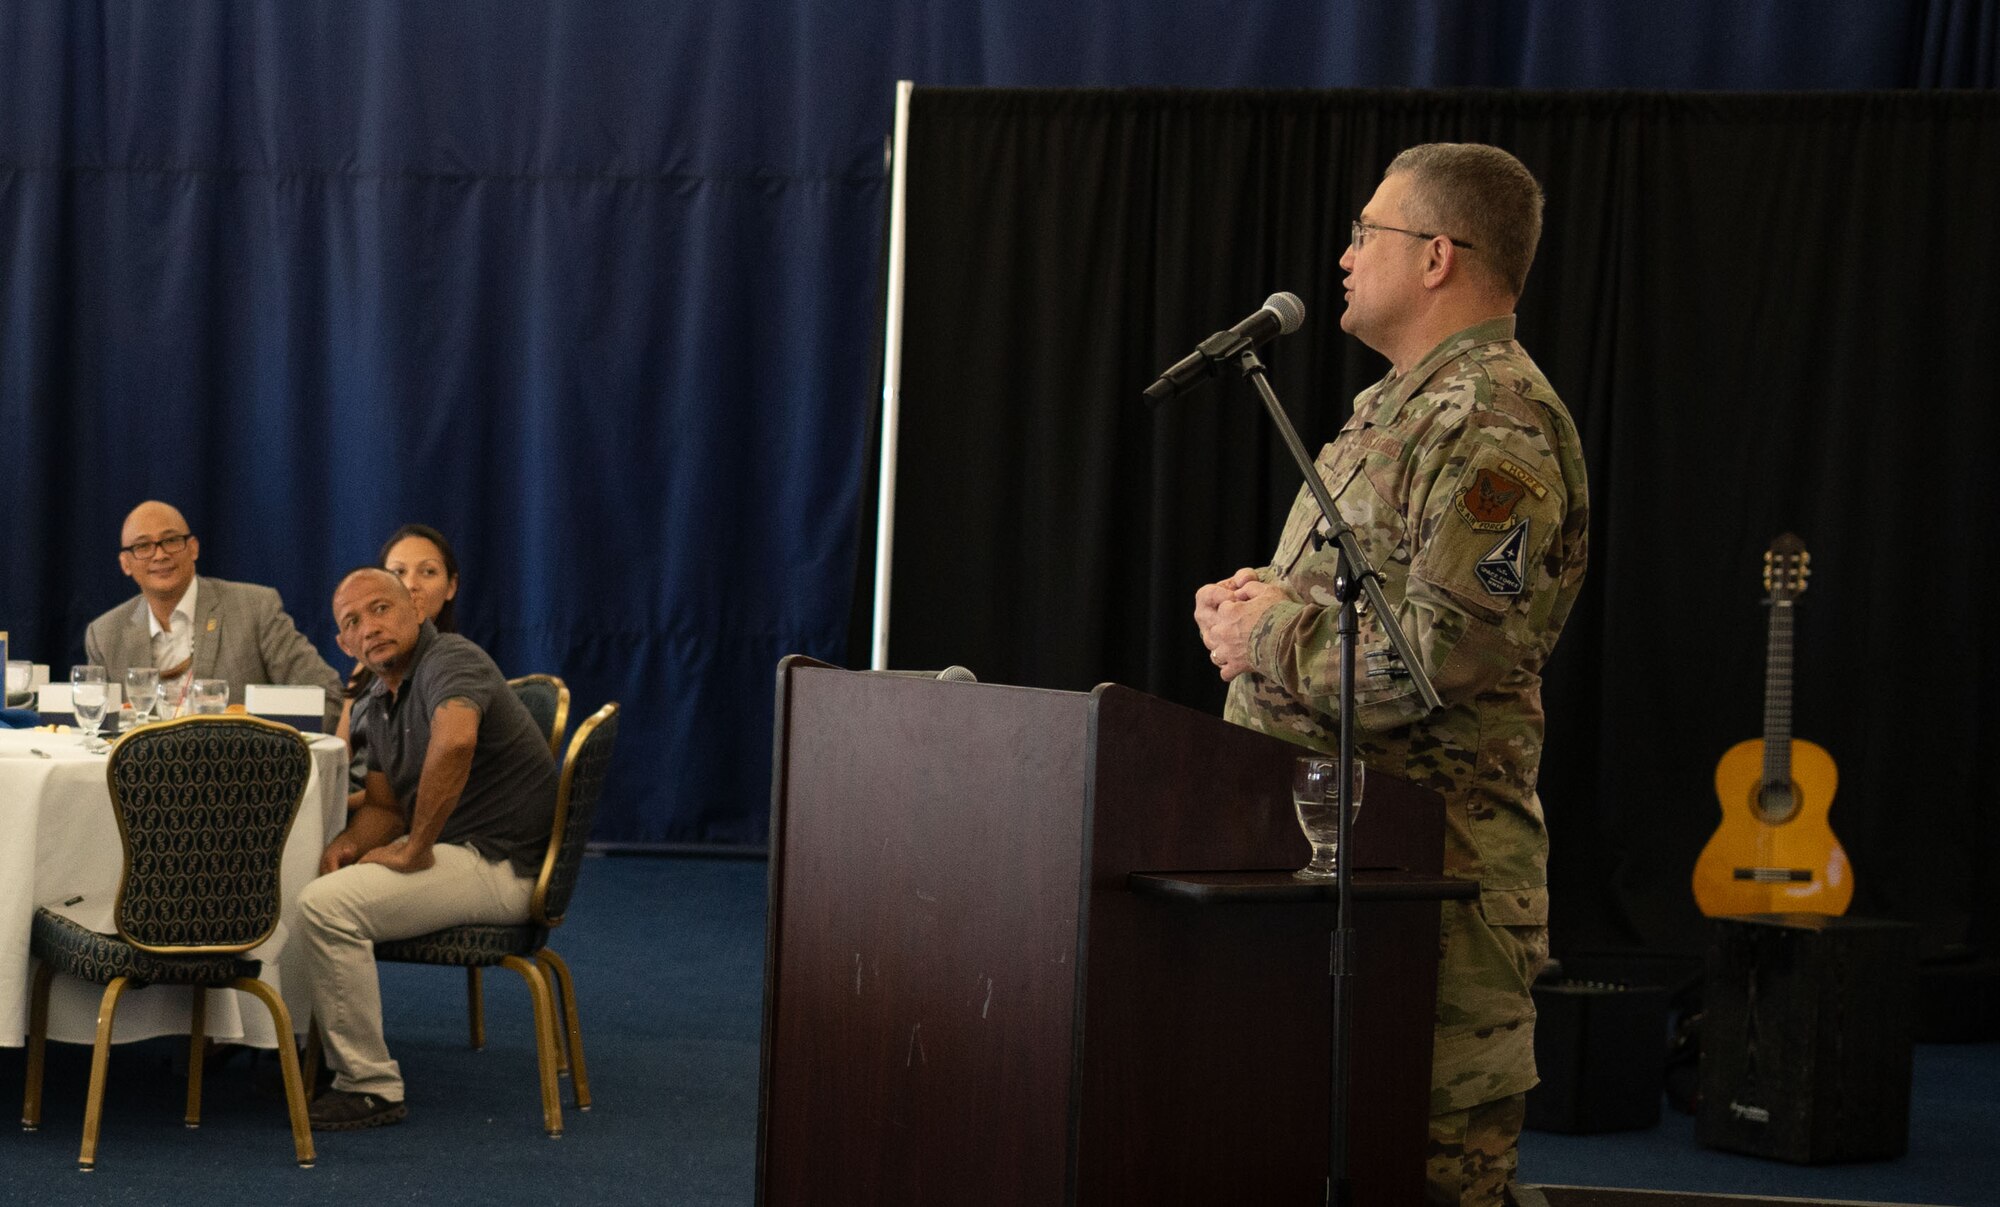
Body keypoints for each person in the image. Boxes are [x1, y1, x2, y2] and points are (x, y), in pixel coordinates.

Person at [1192, 144, 1589, 1207]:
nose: (1342, 254)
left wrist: (1259, 637)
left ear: (1435, 258)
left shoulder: (1491, 427)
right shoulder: (1400, 408)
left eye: (1367, 231)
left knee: (1427, 1175)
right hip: (1340, 871)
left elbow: (1429, 663)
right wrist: (1254, 600)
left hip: (1434, 895)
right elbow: (1354, 604)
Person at [297, 568, 557, 1130]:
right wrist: (349, 843)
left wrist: (415, 847)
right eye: (352, 623)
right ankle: (301, 1053)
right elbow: (386, 807)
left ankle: (369, 1086)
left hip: (500, 862)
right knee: (307, 883)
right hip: (458, 853)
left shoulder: (452, 659)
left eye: (381, 609)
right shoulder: (374, 696)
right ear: (344, 645)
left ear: (417, 611)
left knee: (327, 908)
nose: (369, 627)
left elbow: (457, 739)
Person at [82, 500, 343, 729]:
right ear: (125, 564)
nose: (159, 555)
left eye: (171, 541)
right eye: (143, 546)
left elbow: (326, 698)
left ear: (193, 548)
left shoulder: (254, 608)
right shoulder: (105, 634)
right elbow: (94, 726)